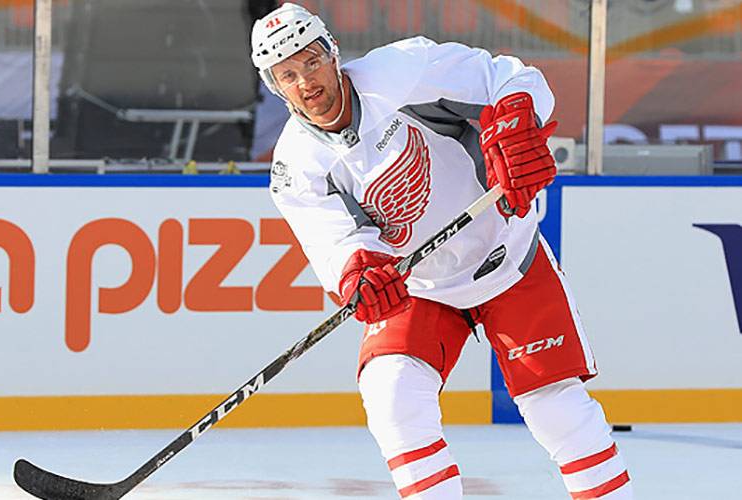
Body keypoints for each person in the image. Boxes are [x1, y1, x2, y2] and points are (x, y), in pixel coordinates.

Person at [251, 3, 633, 499]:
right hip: (421, 287)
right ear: (274, 87)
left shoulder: (402, 71)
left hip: (505, 253)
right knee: (392, 399)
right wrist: (357, 274)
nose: (306, 81)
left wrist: (517, 116)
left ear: (333, 54)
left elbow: (509, 79)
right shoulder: (295, 167)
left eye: (311, 61)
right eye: (288, 74)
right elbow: (336, 242)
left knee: (555, 406)